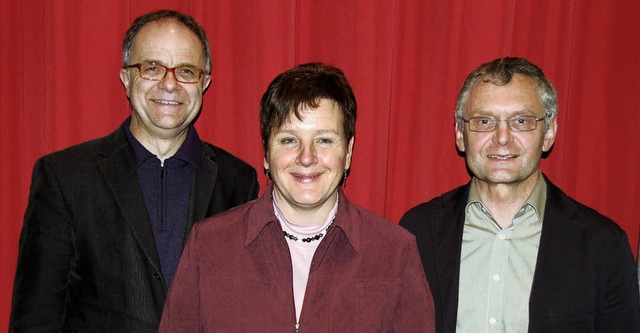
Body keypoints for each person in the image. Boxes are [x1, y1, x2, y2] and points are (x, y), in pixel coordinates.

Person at [9, 9, 258, 332]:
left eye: (185, 71)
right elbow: (35, 321)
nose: (170, 84)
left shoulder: (238, 182)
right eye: (152, 68)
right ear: (127, 78)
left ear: (204, 82)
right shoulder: (64, 177)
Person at [159, 63, 436, 332]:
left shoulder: (394, 253)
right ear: (267, 153)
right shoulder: (209, 246)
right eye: (289, 140)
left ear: (348, 151)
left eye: (324, 140)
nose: (307, 157)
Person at [400, 57, 640, 333]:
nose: (502, 137)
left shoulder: (603, 246)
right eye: (485, 120)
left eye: (521, 120)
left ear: (548, 132)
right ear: (460, 134)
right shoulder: (416, 232)